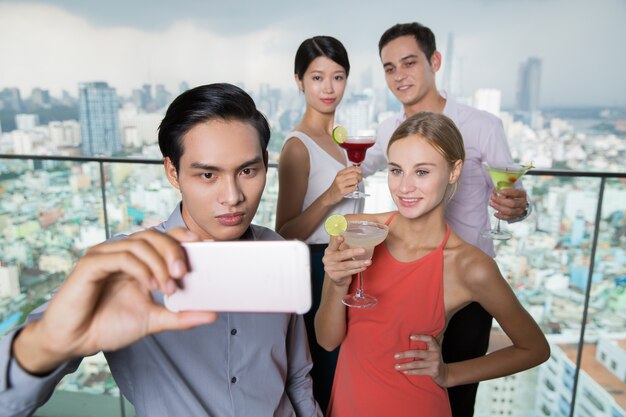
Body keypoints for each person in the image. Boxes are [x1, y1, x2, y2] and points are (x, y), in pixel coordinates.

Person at [0, 83, 322, 417]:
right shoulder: (124, 268)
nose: (233, 196)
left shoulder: (278, 253)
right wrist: (45, 343)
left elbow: (297, 378)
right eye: (208, 174)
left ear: (266, 163)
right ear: (173, 171)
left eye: (247, 171)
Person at [315, 112, 549, 417]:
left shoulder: (470, 266)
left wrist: (449, 374)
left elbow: (534, 348)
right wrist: (337, 284)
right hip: (349, 405)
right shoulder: (355, 231)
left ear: (454, 171)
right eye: (396, 170)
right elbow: (327, 339)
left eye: (422, 172)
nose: (405, 187)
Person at [360, 22, 531, 417]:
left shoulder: (482, 125)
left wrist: (520, 208)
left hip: (467, 285)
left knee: (454, 398)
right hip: (407, 278)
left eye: (408, 62)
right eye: (389, 68)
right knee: (403, 384)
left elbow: (517, 199)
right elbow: (353, 169)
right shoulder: (388, 129)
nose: (399, 76)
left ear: (434, 61)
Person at [275, 36, 362, 412]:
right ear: (299, 81)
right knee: (324, 371)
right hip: (315, 267)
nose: (329, 88)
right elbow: (284, 232)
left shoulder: (341, 141)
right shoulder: (297, 146)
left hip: (347, 261)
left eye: (337, 77)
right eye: (317, 78)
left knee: (347, 367)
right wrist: (329, 195)